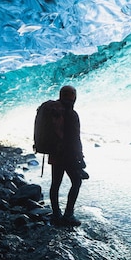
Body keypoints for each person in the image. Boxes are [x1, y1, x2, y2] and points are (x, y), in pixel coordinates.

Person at [49, 85, 86, 227]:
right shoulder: (72, 114)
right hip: (68, 155)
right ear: (74, 97)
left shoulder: (54, 112)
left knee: (55, 184)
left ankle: (56, 214)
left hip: (54, 153)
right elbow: (75, 138)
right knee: (76, 182)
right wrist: (80, 158)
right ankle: (68, 215)